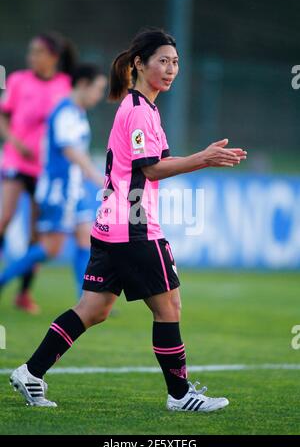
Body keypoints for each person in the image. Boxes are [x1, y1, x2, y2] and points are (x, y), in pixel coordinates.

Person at [10, 28, 247, 411]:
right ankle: (180, 395)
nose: (171, 70)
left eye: (176, 63)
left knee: (94, 308)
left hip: (113, 222)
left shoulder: (146, 108)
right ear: (139, 64)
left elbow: (157, 165)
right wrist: (202, 158)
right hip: (132, 226)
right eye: (163, 62)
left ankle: (31, 372)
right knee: (168, 306)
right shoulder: (137, 110)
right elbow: (150, 170)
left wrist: (198, 159)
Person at [0, 64, 107, 301]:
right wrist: (95, 175)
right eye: (98, 89)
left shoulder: (77, 112)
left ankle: (86, 301)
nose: (99, 95)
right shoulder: (65, 111)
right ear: (82, 85)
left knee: (85, 238)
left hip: (73, 189)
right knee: (51, 248)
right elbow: (69, 150)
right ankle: (2, 280)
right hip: (59, 189)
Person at [0, 32, 75, 313]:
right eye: (31, 51)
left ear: (53, 57)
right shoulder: (18, 80)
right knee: (4, 217)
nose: (32, 57)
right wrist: (15, 141)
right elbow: (3, 116)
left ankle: (23, 293)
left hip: (44, 169)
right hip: (16, 161)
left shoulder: (64, 85)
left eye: (38, 52)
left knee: (36, 234)